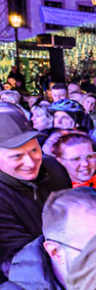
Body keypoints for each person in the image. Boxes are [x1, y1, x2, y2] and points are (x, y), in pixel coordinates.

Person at [0, 110, 72, 280]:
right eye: (17, 156)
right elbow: (17, 261)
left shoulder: (54, 169)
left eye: (34, 150)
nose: (30, 162)